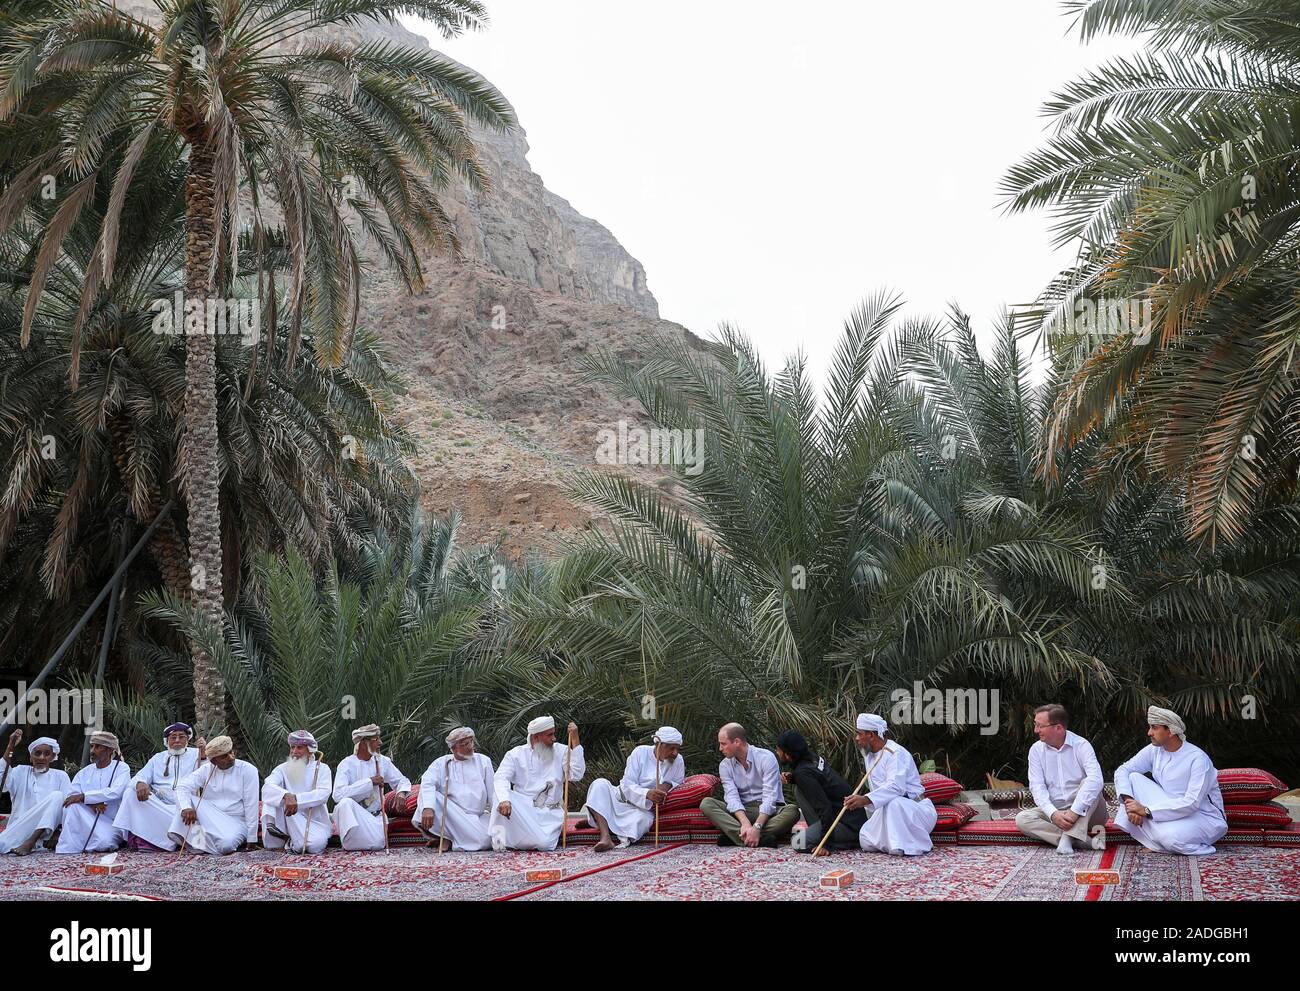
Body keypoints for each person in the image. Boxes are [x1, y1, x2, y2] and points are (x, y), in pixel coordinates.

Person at [1112, 706, 1228, 856]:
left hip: (1204, 817)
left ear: (1171, 731)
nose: (1149, 733)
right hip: (1167, 807)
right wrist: (1130, 803)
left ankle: (1199, 848)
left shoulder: (1198, 759)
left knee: (1169, 838)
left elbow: (1192, 803)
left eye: (1154, 728)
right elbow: (1123, 770)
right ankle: (1158, 838)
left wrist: (1146, 811)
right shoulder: (1154, 750)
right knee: (1133, 777)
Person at [1015, 704, 1107, 854]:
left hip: (1090, 813)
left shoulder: (1081, 745)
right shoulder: (1036, 750)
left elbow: (1096, 780)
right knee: (1022, 819)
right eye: (1036, 725)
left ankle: (1067, 838)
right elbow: (1037, 787)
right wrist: (1053, 813)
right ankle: (1079, 841)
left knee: (1091, 784)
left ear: (1058, 728)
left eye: (1040, 726)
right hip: (1058, 812)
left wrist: (1074, 812)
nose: (1036, 730)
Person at [839, 714, 936, 856]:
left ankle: (904, 845)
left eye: (859, 734)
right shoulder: (869, 755)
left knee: (894, 802)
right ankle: (893, 842)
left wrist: (864, 800)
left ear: (871, 735)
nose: (856, 738)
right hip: (887, 811)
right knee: (865, 840)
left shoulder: (896, 753)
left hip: (914, 811)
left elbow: (896, 787)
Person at [582, 726, 685, 851]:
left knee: (643, 821)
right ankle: (605, 837)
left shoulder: (678, 761)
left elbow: (677, 783)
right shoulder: (640, 752)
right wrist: (647, 793)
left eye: (677, 749)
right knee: (599, 784)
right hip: (619, 798)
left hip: (640, 809)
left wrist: (666, 786)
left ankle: (600, 818)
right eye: (671, 748)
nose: (675, 753)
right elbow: (627, 783)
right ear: (659, 744)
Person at [490, 717, 585, 851]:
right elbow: (501, 777)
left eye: (554, 733)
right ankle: (499, 842)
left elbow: (576, 775)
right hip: (523, 810)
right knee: (499, 796)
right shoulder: (515, 754)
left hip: (549, 811)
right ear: (536, 737)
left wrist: (575, 741)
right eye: (549, 735)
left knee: (544, 844)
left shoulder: (561, 751)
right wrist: (504, 800)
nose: (554, 738)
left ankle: (518, 841)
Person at [700, 723, 799, 847]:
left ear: (737, 742)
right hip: (743, 811)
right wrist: (745, 823)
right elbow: (732, 797)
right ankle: (758, 838)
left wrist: (757, 827)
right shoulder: (725, 765)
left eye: (723, 744)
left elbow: (770, 797)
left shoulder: (766, 758)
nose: (720, 748)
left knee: (792, 811)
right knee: (707, 803)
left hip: (770, 812)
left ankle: (737, 837)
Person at [114, 722, 205, 852]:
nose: (177, 740)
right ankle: (154, 840)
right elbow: (139, 777)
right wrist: (140, 783)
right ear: (166, 741)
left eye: (182, 736)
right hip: (159, 806)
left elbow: (207, 775)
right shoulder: (158, 758)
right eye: (173, 737)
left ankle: (166, 841)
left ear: (188, 739)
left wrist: (204, 756)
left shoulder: (197, 754)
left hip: (184, 808)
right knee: (130, 791)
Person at [775, 729, 864, 853]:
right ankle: (820, 832)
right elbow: (816, 782)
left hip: (848, 826)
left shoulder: (803, 774)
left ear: (788, 755)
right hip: (843, 818)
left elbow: (824, 807)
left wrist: (826, 844)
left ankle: (844, 841)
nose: (777, 752)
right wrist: (793, 778)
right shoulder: (811, 758)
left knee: (798, 842)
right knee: (799, 790)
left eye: (779, 750)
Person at [167, 735, 260, 854]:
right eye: (224, 756)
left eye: (231, 752)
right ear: (213, 760)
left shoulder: (248, 770)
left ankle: (200, 845)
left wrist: (252, 838)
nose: (231, 757)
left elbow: (251, 805)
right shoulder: (206, 769)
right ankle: (199, 843)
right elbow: (181, 787)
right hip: (210, 818)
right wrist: (186, 808)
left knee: (226, 846)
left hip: (236, 820)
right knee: (189, 800)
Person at [331, 725, 411, 850]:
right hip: (356, 817)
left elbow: (402, 780)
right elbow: (337, 795)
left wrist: (401, 793)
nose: (380, 742)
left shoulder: (382, 761)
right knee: (344, 803)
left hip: (375, 817)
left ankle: (358, 843)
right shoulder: (346, 764)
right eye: (375, 739)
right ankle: (353, 842)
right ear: (363, 743)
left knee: (377, 844)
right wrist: (369, 782)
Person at [415, 727, 495, 852]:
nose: (470, 747)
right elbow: (427, 783)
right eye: (465, 744)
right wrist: (428, 808)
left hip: (476, 816)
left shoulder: (484, 761)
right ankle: (444, 836)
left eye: (471, 742)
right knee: (430, 797)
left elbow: (492, 792)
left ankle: (452, 839)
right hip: (451, 814)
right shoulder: (441, 763)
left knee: (486, 840)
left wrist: (498, 814)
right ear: (453, 748)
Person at [56, 731, 130, 854]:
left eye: (97, 747)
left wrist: (85, 797)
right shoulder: (83, 772)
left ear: (109, 750)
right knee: (71, 806)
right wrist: (91, 803)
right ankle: (68, 848)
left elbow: (116, 792)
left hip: (111, 822)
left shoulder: (121, 768)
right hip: (87, 818)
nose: (92, 750)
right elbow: (71, 797)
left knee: (105, 843)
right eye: (91, 746)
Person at [0, 731, 73, 855]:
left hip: (46, 833)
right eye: (37, 753)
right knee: (2, 845)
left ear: (52, 757)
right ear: (30, 757)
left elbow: (68, 807)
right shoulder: (20, 772)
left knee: (57, 796)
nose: (41, 757)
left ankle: (30, 842)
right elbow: (2, 781)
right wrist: (10, 746)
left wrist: (58, 833)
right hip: (20, 826)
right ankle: (27, 842)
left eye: (47, 754)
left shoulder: (61, 776)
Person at [262, 730, 333, 854]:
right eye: (292, 747)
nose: (294, 752)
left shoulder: (322, 768)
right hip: (288, 817)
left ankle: (291, 842)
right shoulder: (282, 769)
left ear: (310, 750)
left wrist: (296, 800)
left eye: (299, 748)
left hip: (314, 820)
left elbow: (323, 794)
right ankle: (280, 833)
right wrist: (286, 795)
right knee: (274, 795)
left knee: (315, 846)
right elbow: (267, 787)